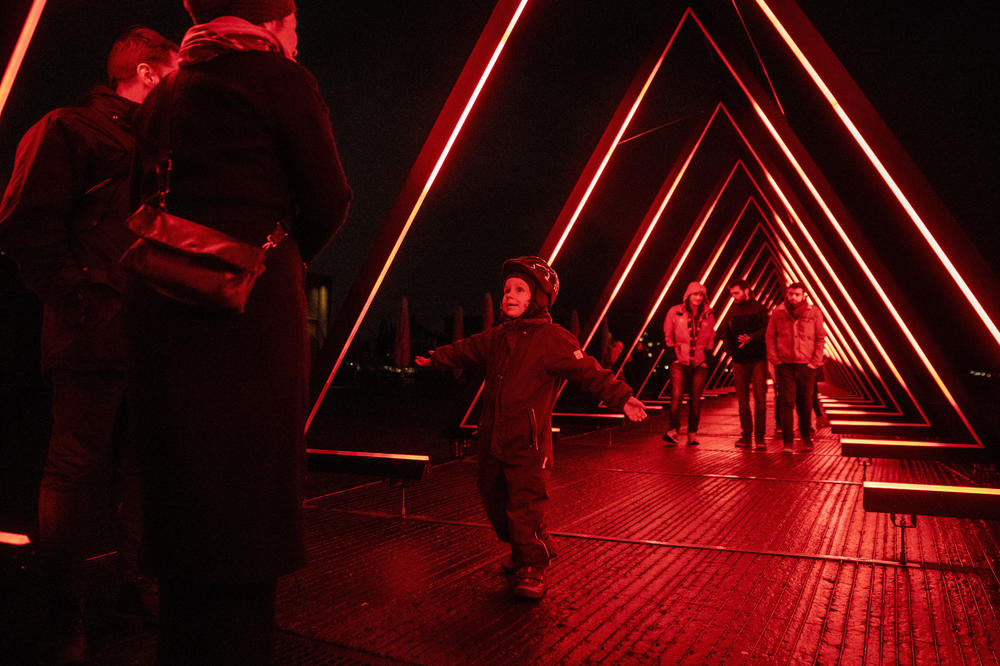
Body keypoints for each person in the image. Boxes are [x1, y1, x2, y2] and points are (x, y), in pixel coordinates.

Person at [124, 1, 352, 663]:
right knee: (245, 505)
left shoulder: (166, 92)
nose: (298, 31)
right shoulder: (279, 79)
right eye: (295, 19)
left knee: (182, 493)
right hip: (247, 318)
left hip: (160, 310)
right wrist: (274, 256)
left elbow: (138, 197)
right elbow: (330, 196)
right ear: (272, 21)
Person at [0, 26, 179, 663]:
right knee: (76, 466)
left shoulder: (160, 146)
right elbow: (23, 223)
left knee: (144, 465)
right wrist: (79, 292)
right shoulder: (72, 129)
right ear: (152, 73)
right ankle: (62, 605)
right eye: (178, 71)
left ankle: (137, 586)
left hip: (151, 331)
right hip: (96, 325)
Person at [415, 257, 647, 600]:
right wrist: (438, 358)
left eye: (520, 289)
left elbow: (590, 371)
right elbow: (468, 348)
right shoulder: (498, 336)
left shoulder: (552, 338)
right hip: (494, 438)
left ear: (538, 297)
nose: (509, 295)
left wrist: (622, 397)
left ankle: (532, 566)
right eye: (507, 289)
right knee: (493, 498)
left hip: (529, 442)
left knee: (524, 504)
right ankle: (532, 546)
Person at [765, 282, 826, 452]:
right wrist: (775, 360)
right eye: (791, 294)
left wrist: (814, 362)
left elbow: (820, 337)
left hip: (806, 365)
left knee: (805, 403)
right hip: (784, 365)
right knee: (787, 402)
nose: (793, 297)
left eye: (797, 294)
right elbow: (770, 337)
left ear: (804, 295)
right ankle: (788, 441)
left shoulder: (813, 313)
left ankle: (806, 437)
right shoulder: (778, 312)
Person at [661, 281, 715, 446]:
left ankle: (692, 433)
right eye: (695, 294)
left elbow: (711, 337)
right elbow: (667, 333)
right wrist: (673, 356)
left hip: (699, 362)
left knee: (695, 399)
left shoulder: (709, 314)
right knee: (676, 396)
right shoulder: (675, 312)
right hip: (680, 360)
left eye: (701, 295)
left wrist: (706, 359)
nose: (698, 298)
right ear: (688, 295)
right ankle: (673, 430)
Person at [719, 279, 768, 450]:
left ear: (747, 290)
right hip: (740, 360)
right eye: (732, 294)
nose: (734, 297)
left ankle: (758, 437)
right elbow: (723, 333)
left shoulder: (759, 309)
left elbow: (767, 331)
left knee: (759, 400)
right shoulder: (732, 311)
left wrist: (750, 338)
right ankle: (748, 436)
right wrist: (732, 350)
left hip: (757, 359)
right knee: (744, 401)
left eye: (736, 293)